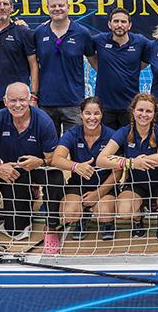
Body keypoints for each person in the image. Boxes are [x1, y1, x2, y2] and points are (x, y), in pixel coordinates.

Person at [0, 82, 63, 254]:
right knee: (15, 229)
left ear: (31, 100)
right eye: (13, 100)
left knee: (55, 177)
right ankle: (29, 197)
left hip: (39, 167)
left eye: (22, 100)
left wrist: (39, 161)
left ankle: (52, 226)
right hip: (12, 171)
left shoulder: (44, 121)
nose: (18, 105)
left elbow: (54, 159)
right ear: (4, 101)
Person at [96, 93, 158, 240]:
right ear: (133, 111)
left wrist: (141, 160)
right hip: (136, 183)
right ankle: (137, 219)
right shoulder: (124, 131)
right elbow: (101, 159)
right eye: (140, 110)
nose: (144, 114)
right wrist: (131, 163)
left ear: (154, 114)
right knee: (124, 211)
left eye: (148, 111)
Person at [51, 97, 119, 241]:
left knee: (104, 212)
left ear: (102, 115)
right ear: (81, 114)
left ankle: (108, 222)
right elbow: (56, 159)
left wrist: (98, 193)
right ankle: (82, 217)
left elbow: (118, 172)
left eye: (96, 113)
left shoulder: (112, 135)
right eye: (88, 113)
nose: (92, 118)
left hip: (103, 185)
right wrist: (75, 166)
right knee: (68, 213)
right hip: (79, 184)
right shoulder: (73, 134)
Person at [34, 0, 96, 134]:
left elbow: (95, 63)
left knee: (75, 149)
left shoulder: (82, 33)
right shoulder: (39, 32)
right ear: (47, 8)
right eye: (53, 6)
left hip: (73, 103)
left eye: (61, 5)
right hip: (46, 103)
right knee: (49, 150)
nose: (57, 9)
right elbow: (33, 65)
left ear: (68, 7)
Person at [90, 7, 150, 129]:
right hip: (105, 107)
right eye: (116, 21)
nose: (119, 25)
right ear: (109, 24)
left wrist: (131, 69)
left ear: (129, 25)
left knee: (130, 144)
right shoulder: (99, 40)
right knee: (106, 146)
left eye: (123, 22)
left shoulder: (141, 42)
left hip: (130, 107)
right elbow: (89, 54)